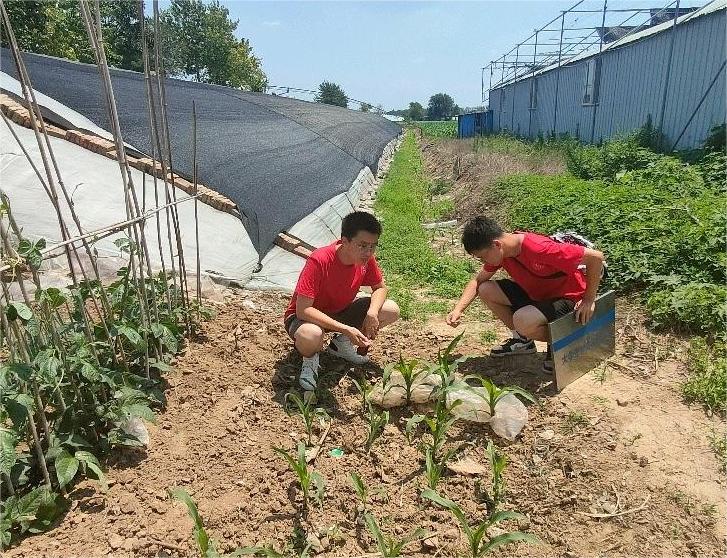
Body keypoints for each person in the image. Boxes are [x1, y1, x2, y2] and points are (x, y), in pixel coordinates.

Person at [446, 216, 604, 372]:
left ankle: (560, 342)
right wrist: (458, 309)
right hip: (539, 294)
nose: (482, 262)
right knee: (485, 289)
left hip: (568, 297)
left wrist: (589, 299)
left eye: (482, 257)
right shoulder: (503, 252)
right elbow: (477, 281)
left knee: (523, 319)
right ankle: (523, 341)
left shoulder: (538, 248)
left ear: (496, 244)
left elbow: (595, 257)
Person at [284, 211, 400, 390]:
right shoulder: (320, 260)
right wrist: (346, 329)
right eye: (362, 245)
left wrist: (372, 313)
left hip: (340, 311)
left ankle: (340, 345)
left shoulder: (365, 259)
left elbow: (380, 287)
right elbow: (303, 310)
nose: (368, 252)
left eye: (373, 246)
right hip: (307, 319)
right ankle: (310, 359)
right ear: (345, 241)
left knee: (390, 309)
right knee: (312, 335)